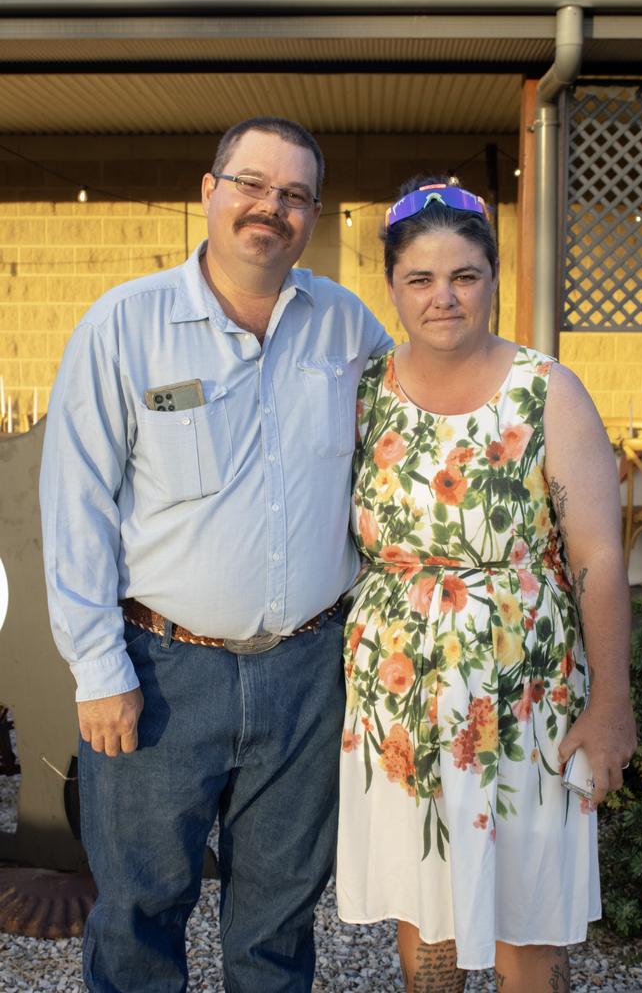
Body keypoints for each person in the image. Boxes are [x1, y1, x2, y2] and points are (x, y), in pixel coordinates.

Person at [40, 116, 391, 993]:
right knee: (139, 912)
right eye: (252, 184)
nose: (270, 207)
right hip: (160, 673)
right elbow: (76, 502)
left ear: (312, 213)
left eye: (295, 195)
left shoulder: (347, 327)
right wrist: (97, 667)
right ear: (208, 190)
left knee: (279, 918)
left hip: (310, 675)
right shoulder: (125, 326)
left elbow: (412, 449)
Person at [336, 176, 637, 992]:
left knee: (525, 922)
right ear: (392, 286)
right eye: (421, 279)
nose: (444, 297)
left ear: (494, 278)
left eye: (464, 275)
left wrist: (612, 705)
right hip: (398, 703)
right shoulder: (364, 393)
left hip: (524, 699)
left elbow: (600, 559)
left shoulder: (547, 391)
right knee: (425, 915)